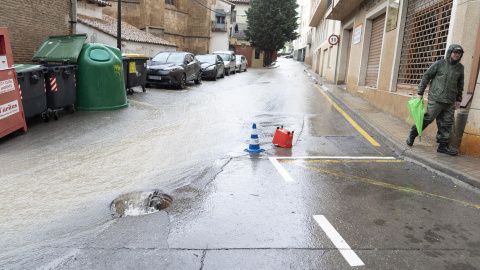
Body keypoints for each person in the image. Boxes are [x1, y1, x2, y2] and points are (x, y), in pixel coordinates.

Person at [406, 44, 465, 156]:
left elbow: (460, 84)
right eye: (455, 52)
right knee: (428, 118)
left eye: (459, 53)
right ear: (450, 53)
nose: (456, 55)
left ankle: (443, 145)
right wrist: (420, 93)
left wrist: (458, 99)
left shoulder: (460, 68)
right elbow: (426, 76)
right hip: (436, 98)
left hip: (450, 100)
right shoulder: (439, 64)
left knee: (447, 122)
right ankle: (413, 133)